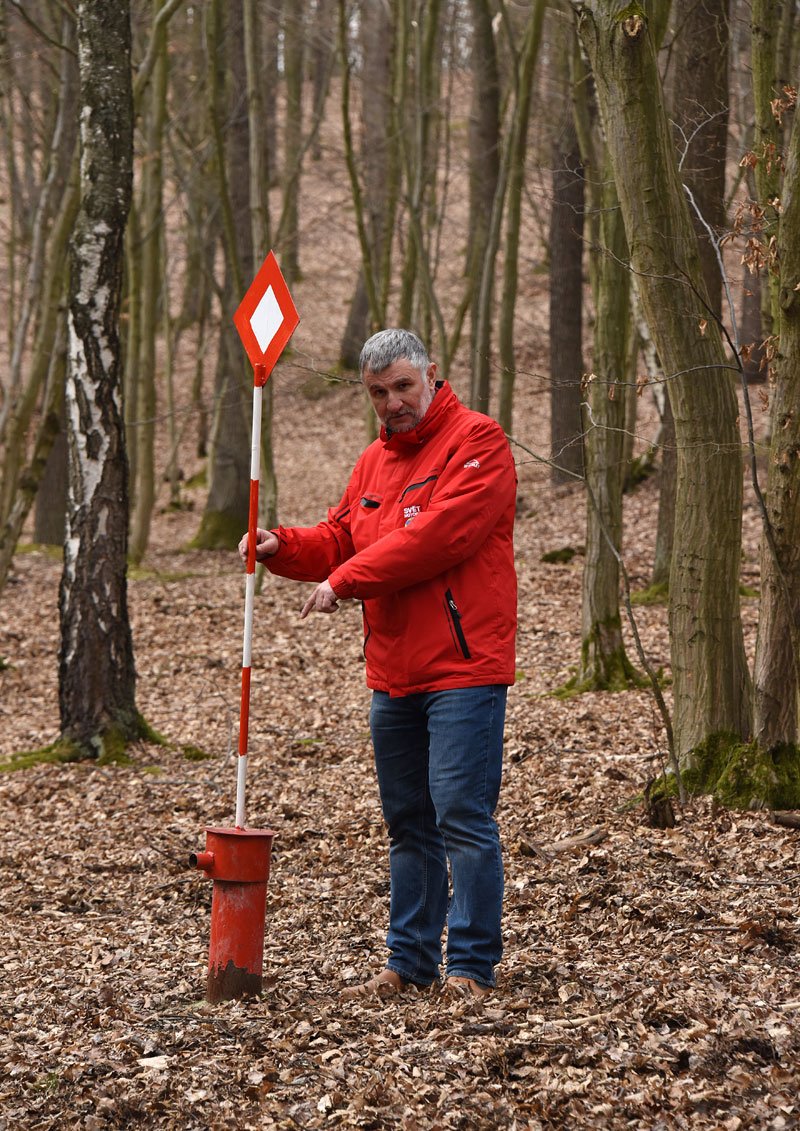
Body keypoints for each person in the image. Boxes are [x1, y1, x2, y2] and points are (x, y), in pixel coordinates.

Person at [239, 329, 517, 998]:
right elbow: (342, 535)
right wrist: (283, 546)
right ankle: (409, 962)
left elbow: (436, 538)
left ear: (431, 376)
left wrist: (346, 581)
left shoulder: (478, 443)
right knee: (408, 821)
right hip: (393, 671)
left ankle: (471, 967)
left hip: (463, 667)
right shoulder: (372, 463)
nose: (393, 402)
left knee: (460, 813)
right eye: (378, 393)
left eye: (402, 386)